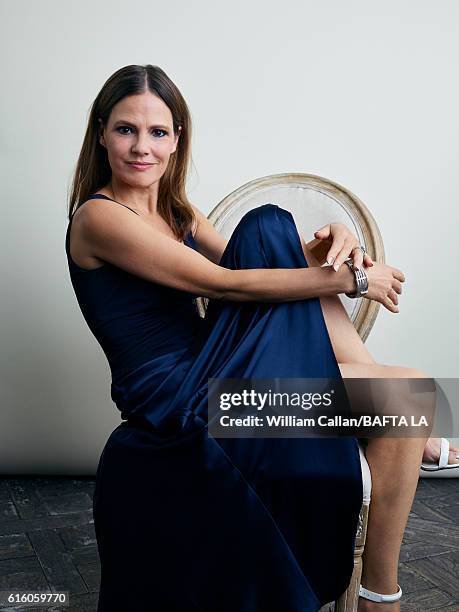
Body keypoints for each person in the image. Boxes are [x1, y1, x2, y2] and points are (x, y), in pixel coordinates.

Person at [65, 64, 458, 612]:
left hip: (212, 363)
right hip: (176, 399)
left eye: (158, 132)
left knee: (273, 234)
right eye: (126, 129)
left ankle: (378, 592)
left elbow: (255, 262)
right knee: (270, 226)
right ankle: (383, 579)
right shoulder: (98, 218)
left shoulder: (176, 211)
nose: (141, 148)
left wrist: (330, 245)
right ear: (102, 133)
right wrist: (353, 279)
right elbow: (226, 283)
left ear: (177, 140)